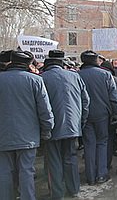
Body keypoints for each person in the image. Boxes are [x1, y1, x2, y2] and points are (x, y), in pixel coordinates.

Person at [0, 50, 54, 200]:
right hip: (28, 135)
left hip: (3, 135)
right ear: (28, 64)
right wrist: (47, 129)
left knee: (4, 171)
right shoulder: (35, 80)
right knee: (26, 171)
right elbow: (45, 109)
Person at [41, 50, 90, 199]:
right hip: (72, 125)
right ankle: (74, 189)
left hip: (52, 126)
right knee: (70, 158)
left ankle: (57, 194)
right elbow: (85, 101)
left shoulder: (41, 78)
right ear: (62, 63)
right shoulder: (75, 76)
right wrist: (81, 121)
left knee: (53, 161)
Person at [79, 50, 117, 185]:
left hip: (84, 115)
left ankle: (90, 176)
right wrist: (115, 113)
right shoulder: (106, 75)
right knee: (102, 143)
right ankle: (101, 174)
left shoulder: (77, 76)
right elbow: (114, 97)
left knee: (89, 145)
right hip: (103, 114)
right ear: (96, 60)